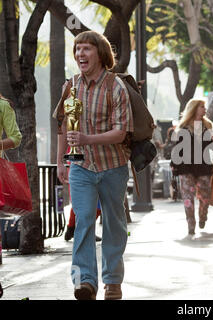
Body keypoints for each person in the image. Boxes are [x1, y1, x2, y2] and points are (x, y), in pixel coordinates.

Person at [54, 31, 133, 300]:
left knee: (114, 224)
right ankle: (85, 281)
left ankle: (112, 280)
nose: (80, 55)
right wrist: (61, 161)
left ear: (100, 53)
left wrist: (88, 138)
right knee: (84, 220)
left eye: (86, 49)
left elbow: (121, 132)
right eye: (77, 50)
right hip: (81, 166)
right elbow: (62, 126)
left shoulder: (115, 87)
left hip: (113, 165)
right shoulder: (70, 86)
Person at [171, 99, 213, 235]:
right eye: (202, 107)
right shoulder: (183, 127)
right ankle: (191, 223)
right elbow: (177, 148)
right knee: (187, 197)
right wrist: (174, 164)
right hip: (185, 166)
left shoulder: (207, 125)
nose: (205, 109)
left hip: (203, 165)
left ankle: (203, 215)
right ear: (194, 109)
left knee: (205, 196)